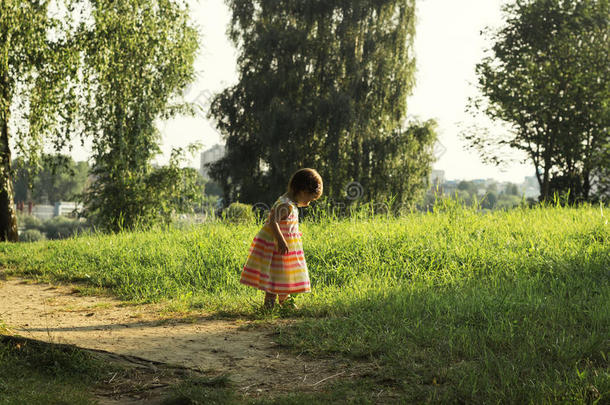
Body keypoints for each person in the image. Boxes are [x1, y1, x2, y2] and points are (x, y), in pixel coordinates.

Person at [239, 168, 323, 309]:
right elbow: (273, 221)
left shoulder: (290, 203)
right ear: (302, 190)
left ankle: (287, 304)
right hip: (276, 248)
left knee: (284, 277)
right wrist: (281, 240)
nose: (308, 203)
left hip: (283, 249)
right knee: (274, 279)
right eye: (310, 199)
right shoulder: (286, 205)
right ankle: (268, 307)